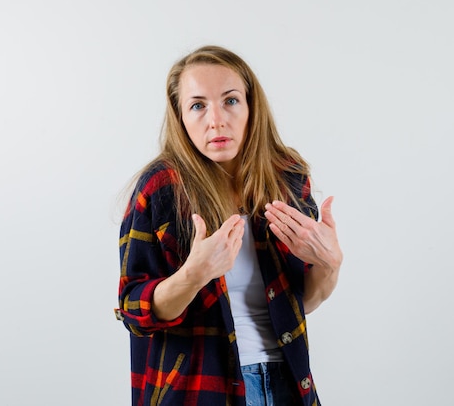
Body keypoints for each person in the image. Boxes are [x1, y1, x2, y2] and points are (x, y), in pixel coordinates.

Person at [115, 45, 343, 406]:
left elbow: (303, 301)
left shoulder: (287, 178)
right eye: (198, 105)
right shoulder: (160, 188)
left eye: (231, 100)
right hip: (198, 391)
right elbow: (134, 312)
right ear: (180, 117)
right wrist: (193, 274)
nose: (216, 120)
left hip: (287, 381)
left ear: (251, 107)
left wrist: (329, 264)